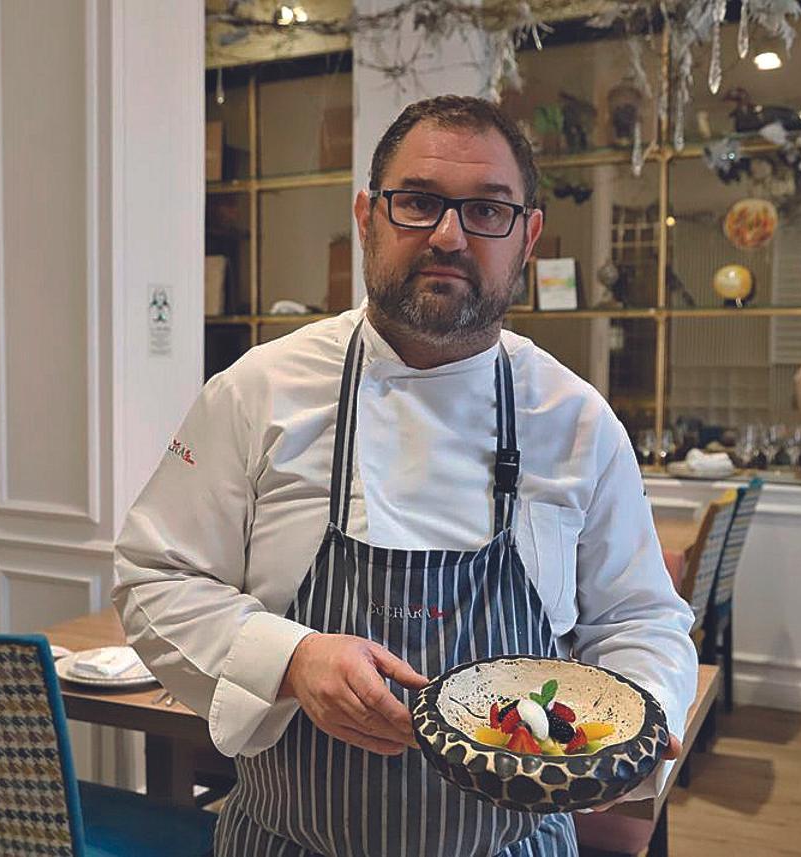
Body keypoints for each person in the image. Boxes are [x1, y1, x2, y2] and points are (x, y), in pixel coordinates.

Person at [113, 95, 696, 857]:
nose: (449, 235)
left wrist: (633, 726)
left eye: (487, 209)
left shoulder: (576, 419)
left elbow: (640, 619)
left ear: (528, 237)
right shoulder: (258, 392)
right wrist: (289, 658)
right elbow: (155, 575)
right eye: (418, 201)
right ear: (367, 217)